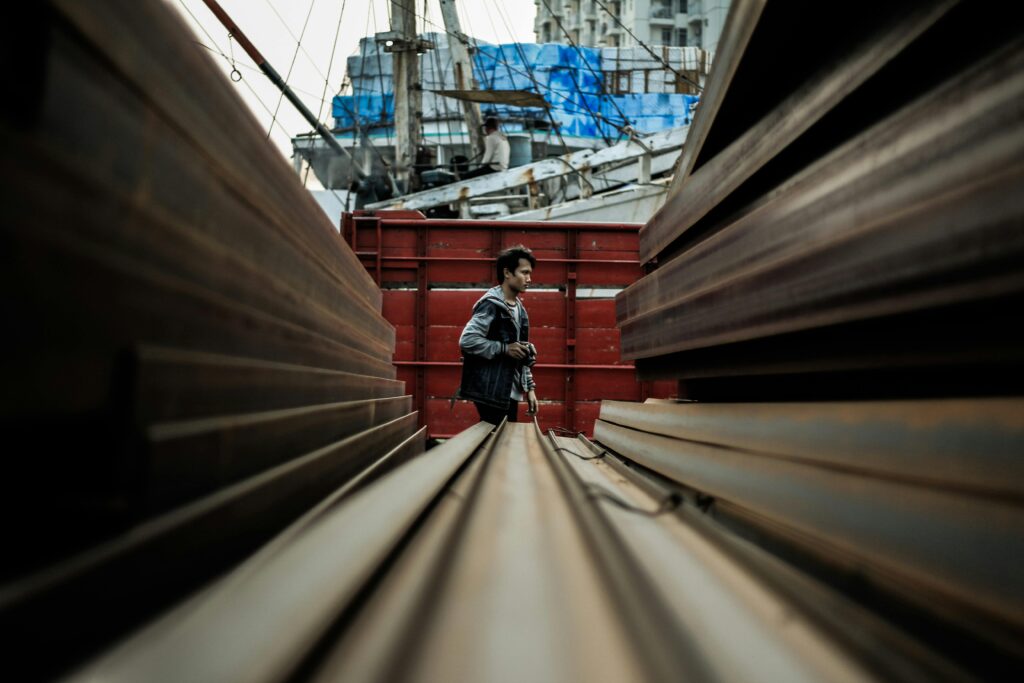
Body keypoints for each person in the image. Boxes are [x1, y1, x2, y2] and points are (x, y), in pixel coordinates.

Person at [458, 245, 539, 424]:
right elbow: (467, 340)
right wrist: (504, 348)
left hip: (510, 391)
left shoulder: (520, 309)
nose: (529, 279)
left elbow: (520, 355)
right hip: (491, 391)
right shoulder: (491, 305)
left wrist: (530, 389)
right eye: (524, 273)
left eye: (530, 273)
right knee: (499, 445)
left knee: (503, 444)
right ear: (507, 273)